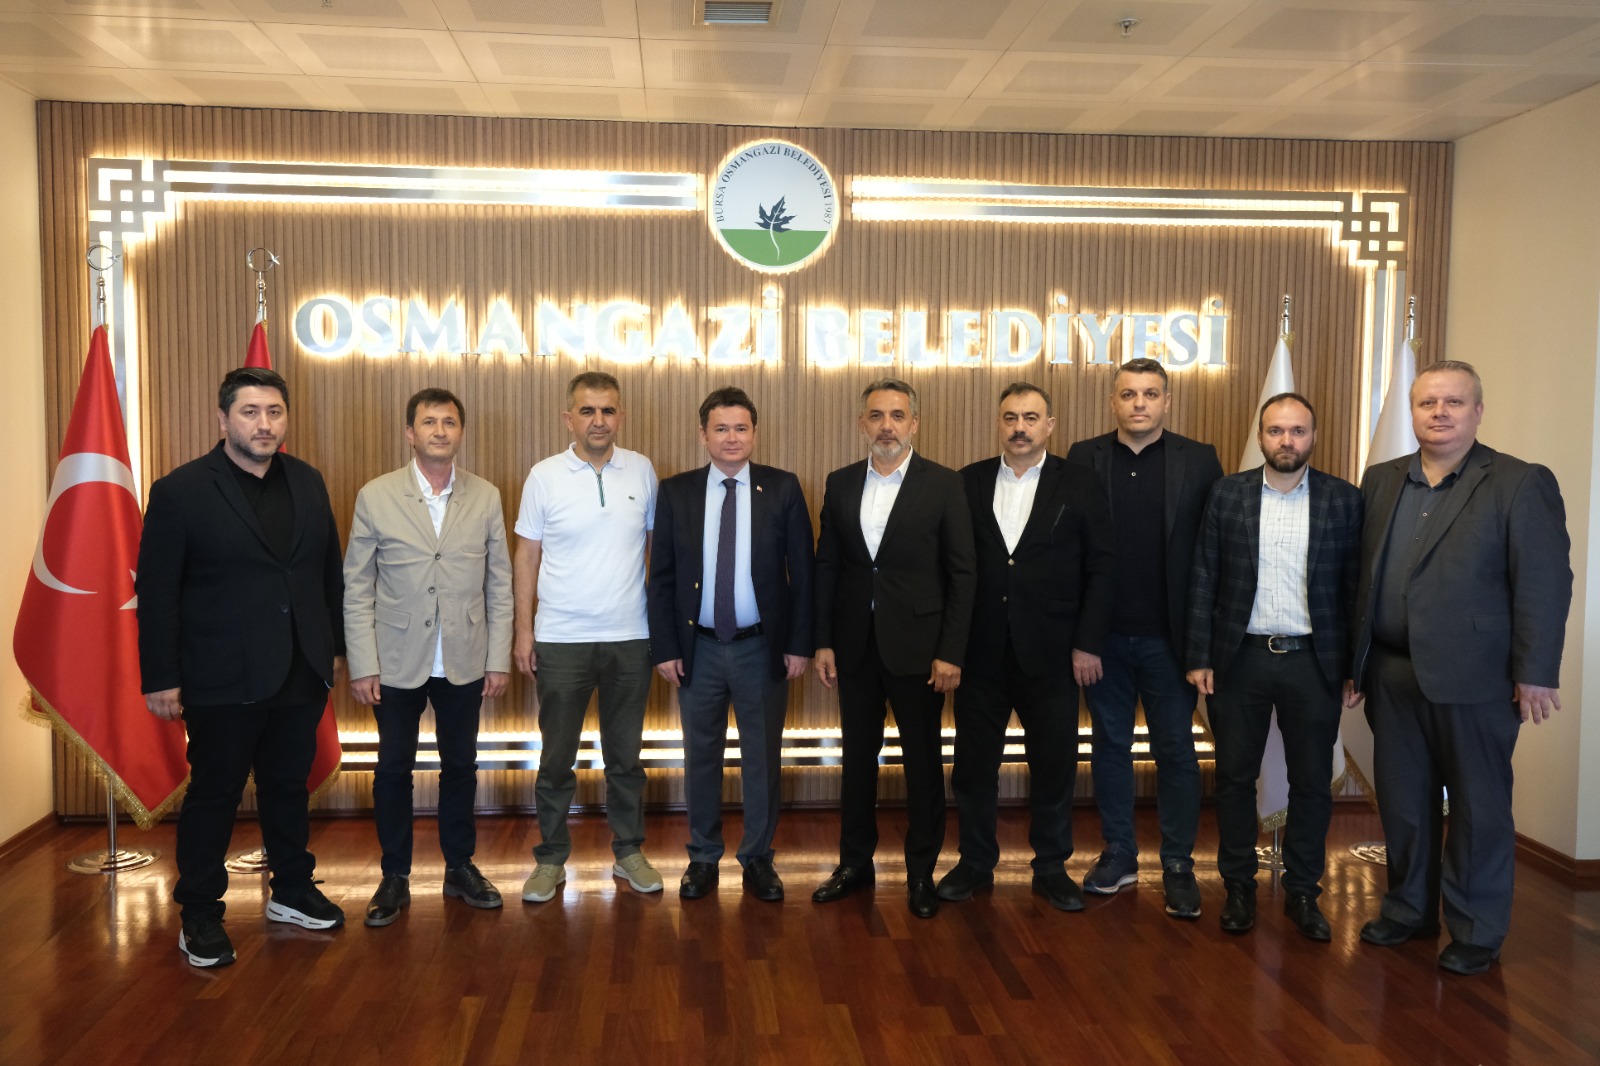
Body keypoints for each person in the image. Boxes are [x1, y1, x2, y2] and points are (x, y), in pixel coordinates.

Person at [1351, 360, 1571, 975]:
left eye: (1453, 402)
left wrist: (1535, 670)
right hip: (1392, 673)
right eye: (1428, 403)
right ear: (1413, 412)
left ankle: (1475, 930)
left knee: (1478, 808)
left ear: (1478, 411)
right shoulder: (1382, 479)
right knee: (1403, 802)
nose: (1439, 413)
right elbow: (1361, 578)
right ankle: (1409, 910)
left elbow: (1545, 583)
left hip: (1478, 678)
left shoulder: (1519, 482)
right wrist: (1353, 662)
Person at [137, 366, 346, 968]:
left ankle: (292, 890)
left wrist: (333, 649)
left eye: (274, 412)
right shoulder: (180, 490)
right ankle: (200, 913)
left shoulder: (307, 480)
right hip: (220, 675)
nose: (264, 424)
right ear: (223, 418)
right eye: (250, 412)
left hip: (299, 669)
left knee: (288, 787)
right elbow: (158, 593)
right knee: (215, 794)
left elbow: (326, 573)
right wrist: (161, 676)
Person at [1185, 393, 1361, 939]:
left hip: (1315, 661)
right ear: (1261, 436)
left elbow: (1355, 588)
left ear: (1313, 436)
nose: (1287, 440)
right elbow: (1204, 575)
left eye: (1298, 431)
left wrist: (1356, 665)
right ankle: (1238, 887)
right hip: (1241, 659)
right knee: (1234, 779)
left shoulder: (1343, 498)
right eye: (1276, 430)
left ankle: (1304, 892)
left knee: (1312, 783)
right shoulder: (1227, 493)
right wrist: (1199, 656)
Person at [938, 382, 1114, 913]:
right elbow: (951, 569)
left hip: (1054, 653)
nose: (1020, 427)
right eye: (1011, 417)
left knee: (1054, 765)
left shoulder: (1080, 482)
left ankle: (1052, 867)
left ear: (1049, 425)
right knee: (973, 767)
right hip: (981, 653)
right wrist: (950, 647)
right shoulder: (966, 482)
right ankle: (975, 862)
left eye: (1031, 418)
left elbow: (1102, 568)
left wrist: (1088, 643)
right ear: (999, 422)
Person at [343, 388, 513, 927]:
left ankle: (459, 866)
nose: (440, 431)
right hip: (395, 658)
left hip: (465, 655)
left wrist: (498, 657)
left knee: (461, 764)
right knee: (394, 766)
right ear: (409, 433)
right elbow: (357, 586)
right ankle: (394, 875)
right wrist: (363, 662)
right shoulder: (376, 495)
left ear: (461, 432)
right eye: (429, 422)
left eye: (449, 422)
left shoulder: (485, 495)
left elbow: (500, 584)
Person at [811, 377, 975, 919]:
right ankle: (854, 864)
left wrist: (951, 652)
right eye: (877, 416)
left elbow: (962, 573)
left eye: (897, 416)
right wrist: (823, 641)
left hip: (920, 651)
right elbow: (828, 567)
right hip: (855, 648)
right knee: (857, 760)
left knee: (922, 764)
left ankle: (921, 872)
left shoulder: (944, 484)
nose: (887, 426)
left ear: (914, 424)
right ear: (862, 423)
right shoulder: (839, 483)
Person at [1066, 357, 1223, 918]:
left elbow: (1213, 554)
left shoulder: (1199, 459)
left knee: (1176, 750)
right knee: (1109, 746)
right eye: (1129, 394)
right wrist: (1082, 636)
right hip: (1103, 639)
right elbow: (1071, 551)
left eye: (1150, 394)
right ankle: (1119, 853)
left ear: (1167, 402)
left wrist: (1203, 646)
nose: (1139, 403)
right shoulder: (1084, 456)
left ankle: (1177, 864)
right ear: (1113, 401)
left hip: (1170, 641)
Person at [647, 387, 814, 902]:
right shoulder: (677, 491)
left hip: (760, 648)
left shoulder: (782, 488)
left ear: (754, 433)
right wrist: (665, 647)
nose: (732, 437)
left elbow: (803, 574)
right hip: (696, 650)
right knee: (701, 756)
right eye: (721, 428)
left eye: (741, 428)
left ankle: (758, 858)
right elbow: (661, 578)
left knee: (762, 758)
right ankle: (702, 857)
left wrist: (800, 644)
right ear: (703, 434)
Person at [513, 371, 661, 903]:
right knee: (556, 760)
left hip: (630, 637)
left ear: (620, 416)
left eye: (608, 410)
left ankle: (629, 851)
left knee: (625, 758)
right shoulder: (544, 476)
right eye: (588, 411)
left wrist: (661, 629)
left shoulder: (642, 470)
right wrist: (524, 631)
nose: (599, 420)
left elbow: (656, 554)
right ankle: (550, 858)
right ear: (568, 418)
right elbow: (526, 556)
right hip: (561, 640)